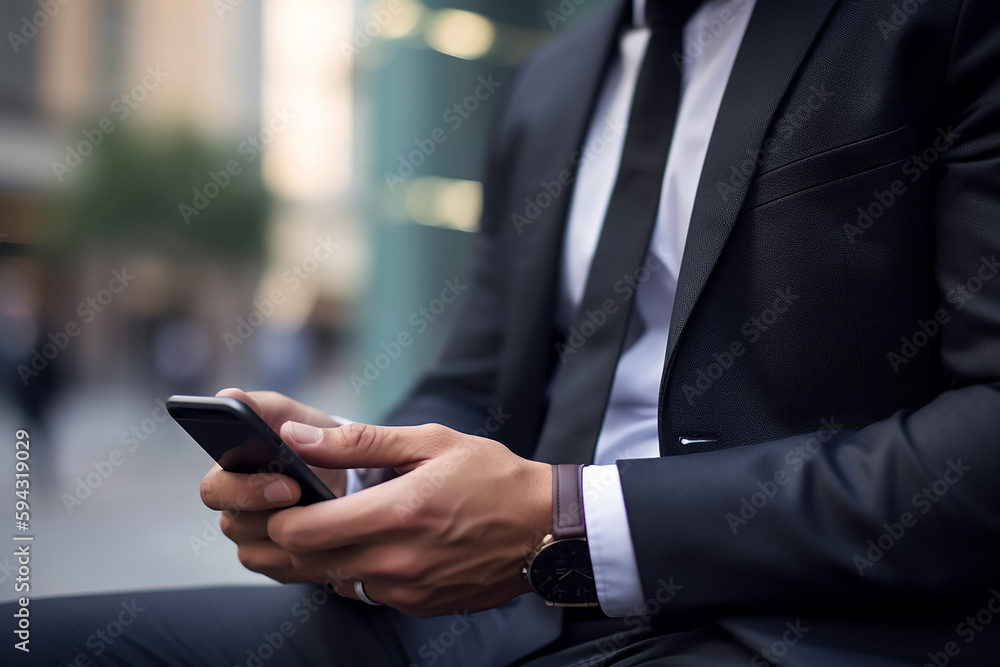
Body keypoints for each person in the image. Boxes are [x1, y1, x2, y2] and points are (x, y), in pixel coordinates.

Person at [16, 0, 1000, 664]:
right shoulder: (552, 82)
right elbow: (476, 385)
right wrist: (357, 479)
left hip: (812, 630)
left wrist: (567, 520)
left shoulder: (940, 21)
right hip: (503, 616)